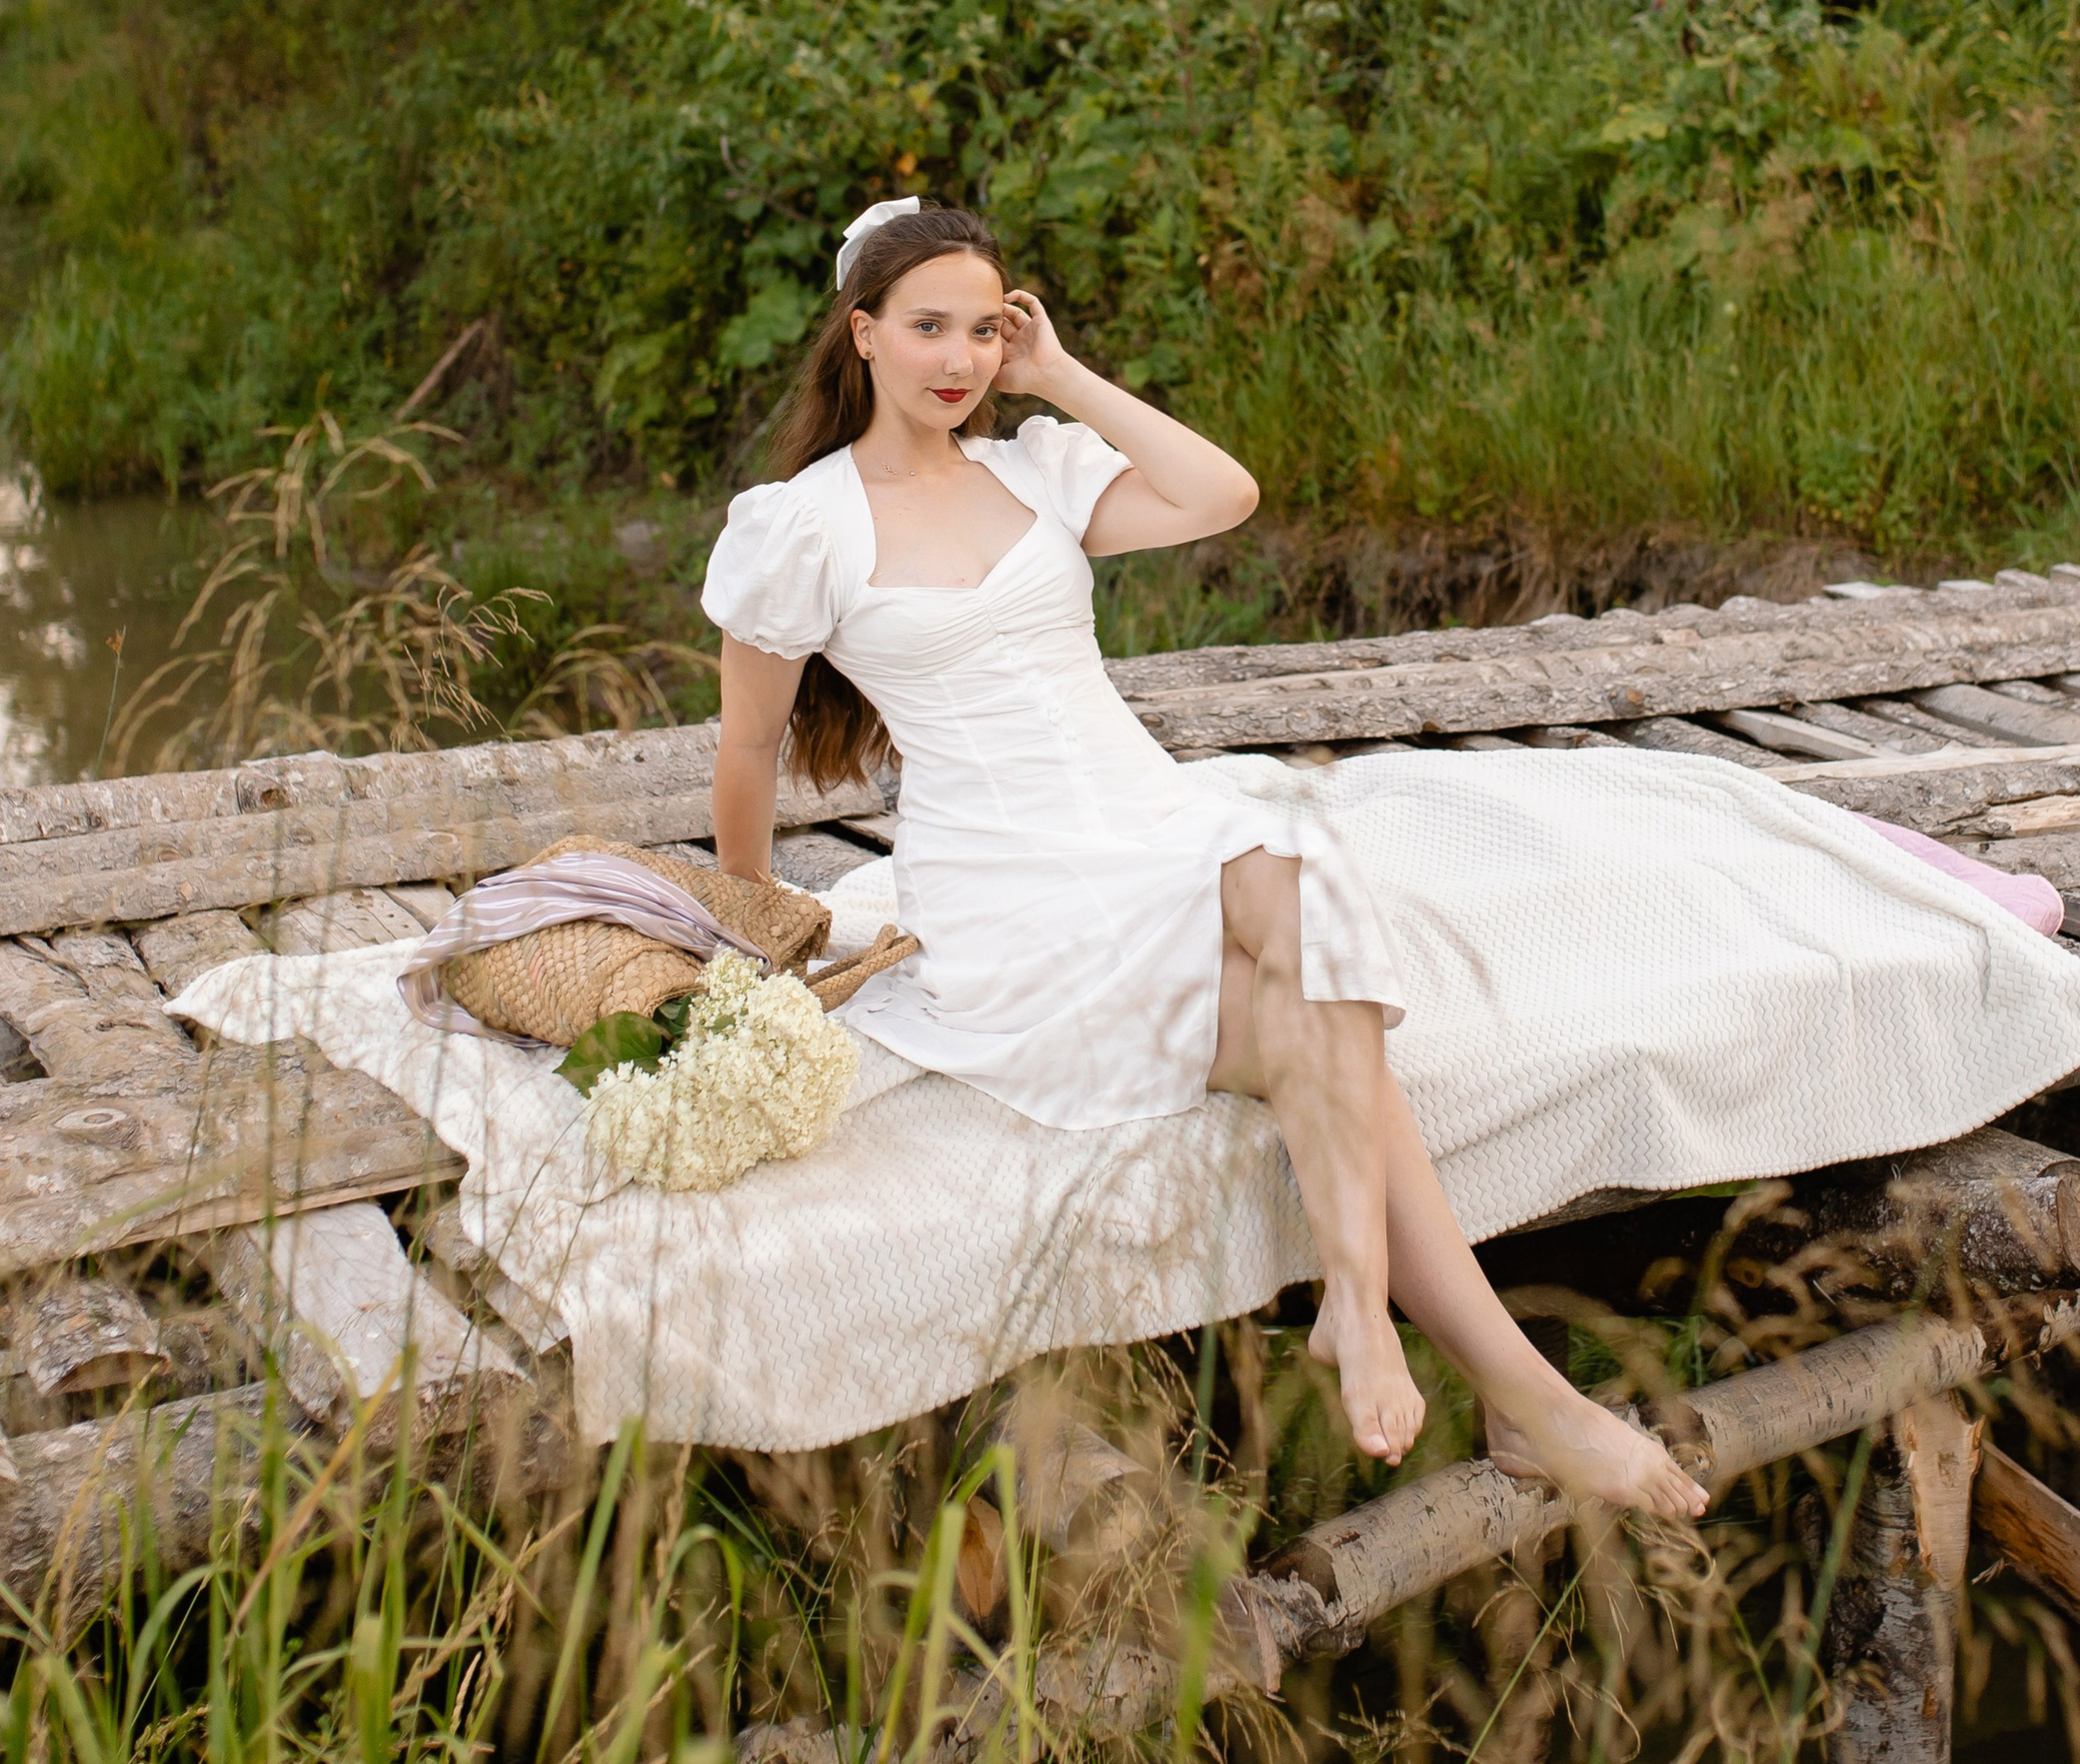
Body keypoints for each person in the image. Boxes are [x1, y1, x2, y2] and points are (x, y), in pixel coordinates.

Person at [703, 197, 1707, 1519]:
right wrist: (750, 914)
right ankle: (1535, 1405)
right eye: (929, 327)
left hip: (1147, 818)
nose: (959, 358)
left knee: (1289, 867)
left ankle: (1362, 1301)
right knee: (1306, 1010)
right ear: (865, 335)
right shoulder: (802, 523)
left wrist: (1058, 374)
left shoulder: (1036, 467)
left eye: (985, 328)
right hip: (1012, 884)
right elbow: (744, 752)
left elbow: (1221, 493)